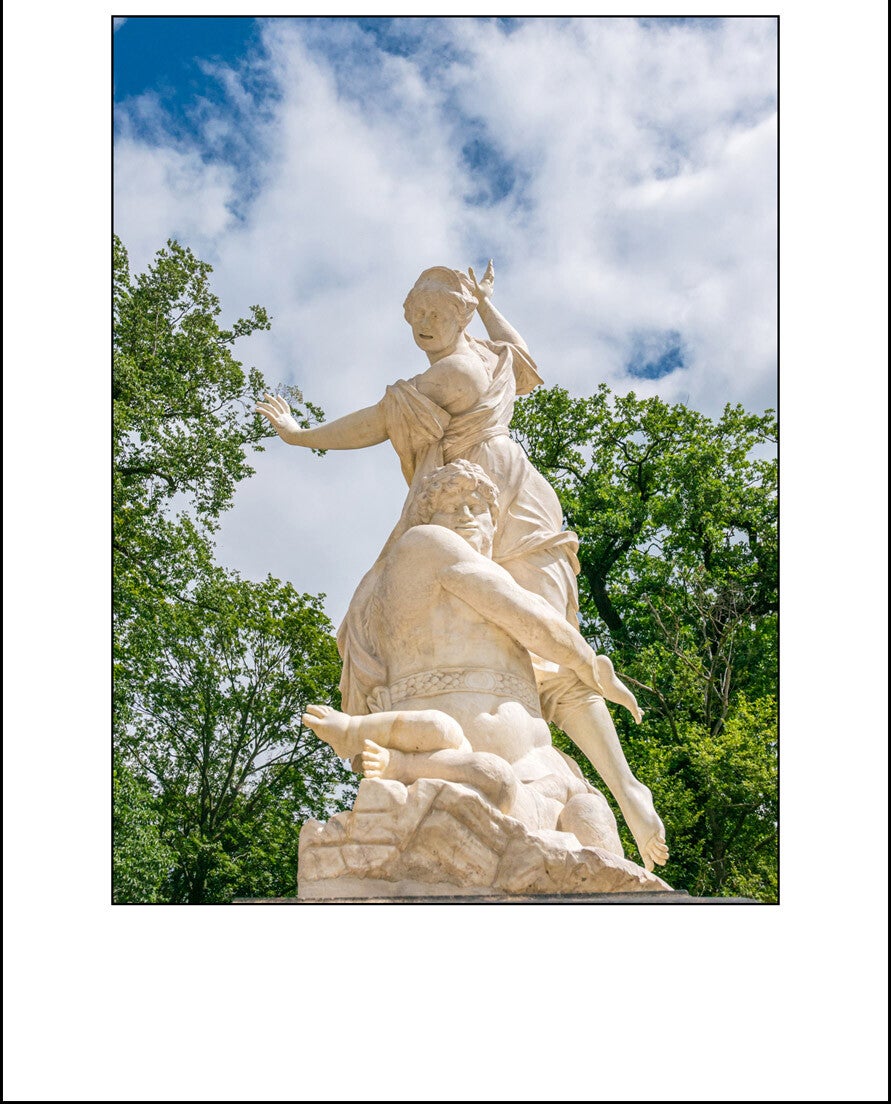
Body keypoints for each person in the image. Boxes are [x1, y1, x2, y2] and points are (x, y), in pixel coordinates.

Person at [256, 263, 665, 866]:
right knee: (532, 647)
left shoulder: (458, 370)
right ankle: (612, 785)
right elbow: (522, 359)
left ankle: (627, 790)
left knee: (546, 654)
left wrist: (300, 435)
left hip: (492, 497)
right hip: (478, 492)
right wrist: (490, 307)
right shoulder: (484, 353)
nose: (423, 326)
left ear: (461, 316)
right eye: (415, 317)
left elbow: (374, 423)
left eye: (437, 315)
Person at [301, 462, 668, 871]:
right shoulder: (424, 543)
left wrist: (626, 789)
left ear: (495, 526)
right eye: (450, 507)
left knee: (595, 828)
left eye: (477, 508)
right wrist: (593, 668)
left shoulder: (492, 586)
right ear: (426, 519)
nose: (465, 516)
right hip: (456, 765)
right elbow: (531, 617)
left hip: (541, 778)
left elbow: (556, 677)